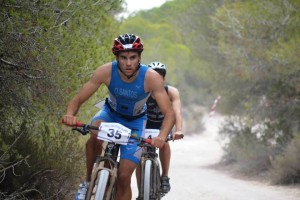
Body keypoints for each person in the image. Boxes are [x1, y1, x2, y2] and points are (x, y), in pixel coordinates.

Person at [62, 34, 175, 200]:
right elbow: (79, 98)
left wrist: (162, 136)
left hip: (135, 122)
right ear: (117, 58)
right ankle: (87, 181)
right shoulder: (105, 71)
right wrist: (70, 114)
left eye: (133, 57)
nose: (128, 63)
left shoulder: (151, 77)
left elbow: (169, 113)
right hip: (110, 114)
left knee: (123, 177)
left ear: (139, 57)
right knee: (94, 133)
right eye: (123, 58)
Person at [136, 61, 183, 195]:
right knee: (139, 155)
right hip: (145, 124)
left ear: (164, 78)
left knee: (164, 144)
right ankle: (141, 193)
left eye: (160, 76)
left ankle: (165, 177)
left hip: (163, 125)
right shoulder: (142, 92)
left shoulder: (171, 92)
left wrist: (179, 129)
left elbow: (177, 112)